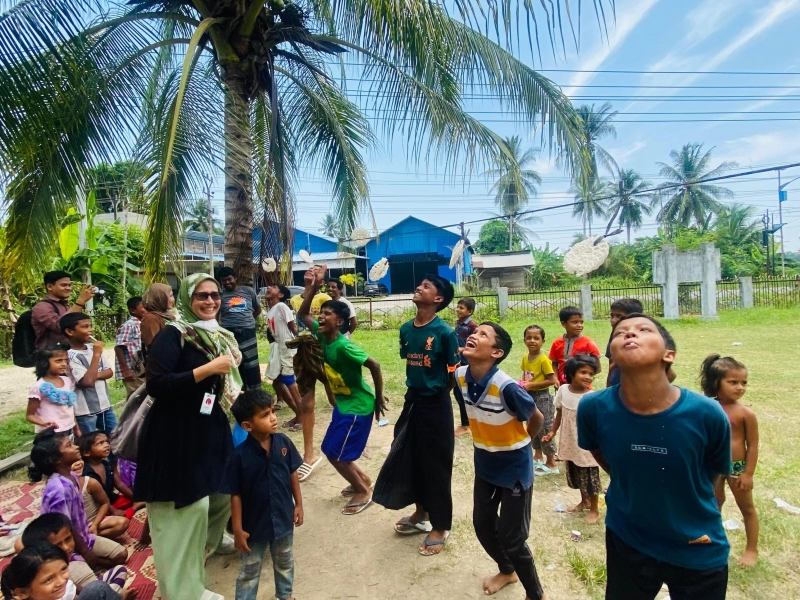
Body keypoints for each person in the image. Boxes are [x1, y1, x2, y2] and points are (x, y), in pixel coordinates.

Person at [577, 314, 732, 600]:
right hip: (628, 537)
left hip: (696, 544)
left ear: (668, 354)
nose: (629, 334)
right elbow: (603, 454)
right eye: (620, 332)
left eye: (643, 329)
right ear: (611, 356)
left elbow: (713, 474)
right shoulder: (593, 409)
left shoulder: (706, 414)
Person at [135, 273, 242, 600]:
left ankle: (209, 542)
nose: (210, 301)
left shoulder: (220, 335)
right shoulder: (174, 334)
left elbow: (230, 384)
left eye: (215, 295)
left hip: (211, 427)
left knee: (221, 492)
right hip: (176, 434)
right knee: (185, 511)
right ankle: (184, 592)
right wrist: (207, 370)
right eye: (201, 296)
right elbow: (157, 385)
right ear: (186, 300)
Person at [455, 322, 545, 600]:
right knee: (482, 524)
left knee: (512, 537)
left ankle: (535, 594)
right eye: (474, 332)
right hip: (485, 464)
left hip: (515, 468)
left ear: (497, 352)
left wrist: (522, 446)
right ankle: (507, 570)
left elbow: (537, 418)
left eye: (483, 335)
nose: (473, 335)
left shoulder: (506, 387)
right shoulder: (459, 375)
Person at [373, 274, 460, 556]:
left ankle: (440, 525)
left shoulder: (445, 333)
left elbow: (453, 373)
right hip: (412, 402)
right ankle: (420, 513)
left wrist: (438, 395)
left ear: (438, 299)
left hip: (436, 405)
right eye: (419, 284)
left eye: (426, 286)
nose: (418, 287)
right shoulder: (406, 330)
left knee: (436, 465)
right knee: (409, 457)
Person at [297, 266, 387, 515]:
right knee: (331, 448)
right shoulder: (323, 336)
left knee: (336, 453)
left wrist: (378, 397)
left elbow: (374, 365)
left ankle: (363, 491)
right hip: (344, 403)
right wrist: (313, 287)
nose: (321, 317)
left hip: (358, 406)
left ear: (339, 321)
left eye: (326, 314)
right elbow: (303, 315)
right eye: (321, 313)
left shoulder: (344, 346)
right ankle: (362, 480)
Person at [221, 390, 303, 600]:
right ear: (247, 426)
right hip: (253, 526)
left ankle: (285, 595)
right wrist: (238, 530)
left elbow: (292, 473)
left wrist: (298, 504)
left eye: (272, 411)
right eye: (265, 415)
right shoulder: (238, 458)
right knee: (249, 570)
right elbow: (235, 495)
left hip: (283, 519)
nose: (273, 417)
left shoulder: (283, 443)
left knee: (285, 561)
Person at [29, 429, 129, 574]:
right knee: (90, 583)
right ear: (56, 460)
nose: (76, 447)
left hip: (83, 537)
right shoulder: (58, 489)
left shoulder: (72, 477)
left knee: (121, 555)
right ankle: (73, 565)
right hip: (64, 547)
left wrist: (87, 544)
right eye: (69, 445)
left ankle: (92, 562)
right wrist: (85, 551)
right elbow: (64, 526)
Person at [701, 354, 759, 567]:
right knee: (713, 504)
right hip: (713, 466)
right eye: (733, 382)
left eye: (744, 382)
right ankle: (712, 542)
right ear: (716, 382)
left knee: (747, 508)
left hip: (736, 467)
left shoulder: (745, 413)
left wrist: (748, 473)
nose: (740, 387)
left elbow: (752, 445)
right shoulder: (707, 407)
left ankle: (751, 549)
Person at [542, 355, 602, 523]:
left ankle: (595, 509)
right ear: (571, 373)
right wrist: (553, 431)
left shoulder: (592, 397)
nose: (588, 377)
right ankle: (584, 501)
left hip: (586, 443)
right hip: (569, 440)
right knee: (575, 471)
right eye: (583, 372)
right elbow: (560, 412)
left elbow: (597, 422)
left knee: (589, 475)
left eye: (591, 374)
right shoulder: (563, 390)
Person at [19, 514, 129, 592]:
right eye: (58, 545)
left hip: (87, 592)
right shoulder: (49, 574)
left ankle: (111, 593)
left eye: (68, 539)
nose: (66, 548)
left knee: (120, 569)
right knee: (98, 589)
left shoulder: (72, 557)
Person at [289, 286, 332, 476]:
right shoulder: (295, 299)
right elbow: (301, 315)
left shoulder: (324, 297)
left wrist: (315, 287)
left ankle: (347, 441)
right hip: (305, 351)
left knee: (335, 398)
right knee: (306, 404)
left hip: (326, 351)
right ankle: (309, 455)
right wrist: (311, 287)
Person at [0, 544, 133, 600]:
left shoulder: (61, 589)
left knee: (97, 589)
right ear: (23, 593)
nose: (61, 581)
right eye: (48, 580)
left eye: (63, 569)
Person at [60, 314, 116, 436]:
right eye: (85, 327)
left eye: (90, 326)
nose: (90, 330)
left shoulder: (92, 348)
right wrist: (96, 356)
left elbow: (109, 372)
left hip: (105, 406)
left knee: (114, 438)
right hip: (84, 411)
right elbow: (87, 382)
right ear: (70, 331)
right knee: (88, 443)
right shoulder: (70, 356)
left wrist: (92, 374)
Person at [520, 325, 558, 475]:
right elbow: (526, 375)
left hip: (542, 397)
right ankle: (537, 456)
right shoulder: (525, 357)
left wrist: (532, 385)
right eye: (529, 338)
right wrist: (522, 383)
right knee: (532, 424)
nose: (532, 341)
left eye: (536, 338)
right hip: (529, 396)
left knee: (545, 427)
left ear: (543, 341)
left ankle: (551, 462)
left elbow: (551, 380)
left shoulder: (543, 360)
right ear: (524, 340)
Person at [264, 284, 304, 428]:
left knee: (288, 380)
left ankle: (303, 416)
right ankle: (298, 414)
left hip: (287, 347)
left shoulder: (282, 307)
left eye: (273, 287)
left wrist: (299, 344)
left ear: (280, 295)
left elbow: (292, 327)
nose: (268, 288)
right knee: (277, 381)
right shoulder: (271, 310)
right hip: (279, 347)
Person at [218, 267, 263, 391]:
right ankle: (237, 391)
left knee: (251, 362)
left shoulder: (248, 291)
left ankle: (254, 391)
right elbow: (217, 315)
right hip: (228, 333)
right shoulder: (220, 296)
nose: (227, 282)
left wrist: (248, 320)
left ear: (235, 278)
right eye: (223, 280)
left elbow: (257, 309)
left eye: (229, 279)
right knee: (233, 362)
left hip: (247, 332)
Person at [79, 433, 140, 519]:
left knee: (129, 500)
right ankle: (133, 509)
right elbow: (97, 500)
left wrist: (135, 498)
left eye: (107, 442)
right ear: (86, 453)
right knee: (111, 516)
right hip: (98, 505)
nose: (107, 445)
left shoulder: (106, 465)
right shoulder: (85, 472)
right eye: (100, 443)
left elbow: (118, 483)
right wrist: (113, 511)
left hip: (111, 500)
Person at [31, 271, 97, 350]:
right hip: (52, 357)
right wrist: (80, 301)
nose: (68, 288)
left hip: (69, 353)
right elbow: (60, 326)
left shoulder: (64, 305)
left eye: (69, 285)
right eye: (63, 285)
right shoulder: (42, 307)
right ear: (49, 286)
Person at [26, 344, 79, 436]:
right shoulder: (38, 387)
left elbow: (69, 408)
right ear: (44, 363)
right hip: (50, 432)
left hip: (69, 429)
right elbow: (30, 415)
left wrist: (76, 428)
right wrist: (44, 423)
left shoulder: (67, 381)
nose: (64, 364)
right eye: (58, 361)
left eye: (66, 361)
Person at [548, 306, 601, 386]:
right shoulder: (556, 343)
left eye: (581, 322)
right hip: (562, 386)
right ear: (563, 324)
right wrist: (555, 379)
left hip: (582, 387)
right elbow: (554, 364)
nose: (579, 325)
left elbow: (598, 368)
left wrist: (583, 377)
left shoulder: (588, 344)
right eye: (575, 322)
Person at [453, 297, 477, 437]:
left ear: (470, 311)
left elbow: (476, 344)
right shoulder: (458, 323)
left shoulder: (472, 327)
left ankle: (466, 425)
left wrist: (462, 349)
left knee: (462, 393)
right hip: (458, 363)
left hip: (467, 364)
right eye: (458, 306)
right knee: (458, 393)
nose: (458, 309)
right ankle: (468, 422)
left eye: (462, 308)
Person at [113, 297, 147, 399]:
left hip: (143, 368)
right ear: (133, 310)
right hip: (133, 370)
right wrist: (125, 369)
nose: (147, 308)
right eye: (143, 306)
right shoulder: (129, 325)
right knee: (136, 397)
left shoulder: (144, 323)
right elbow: (119, 346)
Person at [139, 283, 175, 356]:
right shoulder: (150, 319)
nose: (173, 299)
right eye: (170, 296)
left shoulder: (166, 315)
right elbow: (154, 346)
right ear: (160, 298)